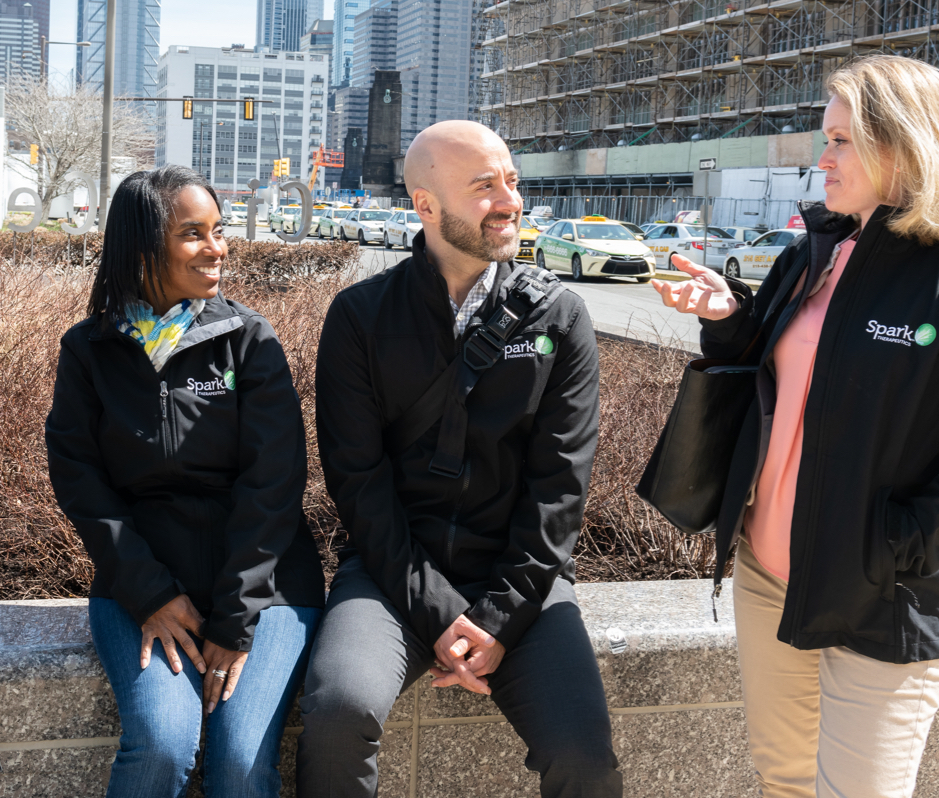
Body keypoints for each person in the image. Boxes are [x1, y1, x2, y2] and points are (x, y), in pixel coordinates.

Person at [652, 55, 939, 797]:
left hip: (880, 596)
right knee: (783, 782)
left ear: (902, 146)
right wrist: (731, 318)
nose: (822, 157)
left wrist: (896, 543)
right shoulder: (813, 257)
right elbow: (776, 378)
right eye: (825, 137)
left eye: (841, 140)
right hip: (767, 577)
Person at [297, 120, 622, 797]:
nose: (509, 201)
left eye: (512, 181)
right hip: (391, 576)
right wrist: (443, 617)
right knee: (336, 713)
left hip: (522, 582)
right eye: (484, 187)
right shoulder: (361, 317)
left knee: (584, 759)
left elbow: (560, 491)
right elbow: (359, 485)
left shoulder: (559, 318)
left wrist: (498, 619)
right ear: (425, 206)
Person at [45, 165, 326, 797]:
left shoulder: (249, 339)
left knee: (240, 765)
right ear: (142, 246)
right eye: (193, 234)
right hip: (143, 587)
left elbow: (275, 483)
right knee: (163, 746)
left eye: (218, 231)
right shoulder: (89, 349)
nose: (217, 248)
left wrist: (233, 619)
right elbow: (79, 478)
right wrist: (147, 593)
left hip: (268, 590)